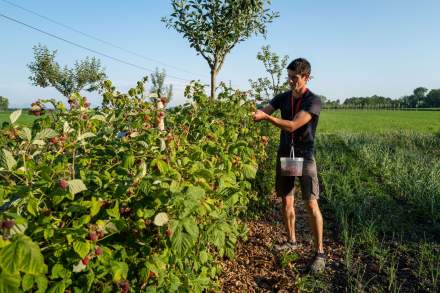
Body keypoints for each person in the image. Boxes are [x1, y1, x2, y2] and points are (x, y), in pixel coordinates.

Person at [252, 58, 325, 273]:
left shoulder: (313, 101)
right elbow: (265, 109)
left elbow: (293, 125)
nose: (291, 81)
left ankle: (319, 252)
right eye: (289, 77)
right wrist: (256, 113)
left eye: (295, 78)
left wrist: (266, 118)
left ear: (306, 78)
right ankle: (291, 241)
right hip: (288, 155)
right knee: (286, 200)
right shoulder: (283, 97)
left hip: (305, 156)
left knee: (311, 204)